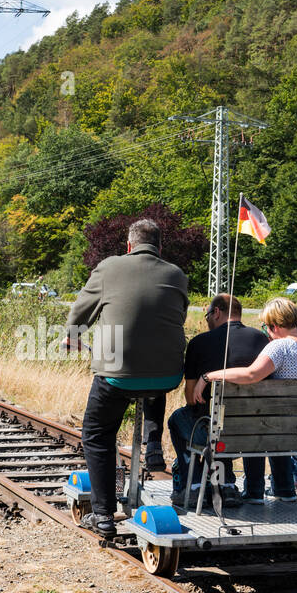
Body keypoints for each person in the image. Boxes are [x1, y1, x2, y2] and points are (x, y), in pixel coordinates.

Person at [63, 218, 188, 538]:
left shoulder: (108, 268)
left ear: (129, 247)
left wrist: (72, 337)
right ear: (159, 248)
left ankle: (104, 514)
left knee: (96, 433)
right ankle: (153, 444)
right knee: (152, 378)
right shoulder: (176, 274)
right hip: (168, 375)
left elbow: (80, 312)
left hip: (118, 376)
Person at [195, 298, 297, 501]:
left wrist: (209, 376)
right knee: (276, 422)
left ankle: (254, 492)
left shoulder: (279, 347)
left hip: (281, 429)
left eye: (266, 328)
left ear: (274, 326)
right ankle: (285, 491)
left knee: (257, 422)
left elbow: (251, 375)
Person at [167, 293, 267, 508]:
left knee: (179, 419)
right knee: (229, 421)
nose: (207, 320)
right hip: (255, 428)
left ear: (217, 312)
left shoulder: (199, 343)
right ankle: (231, 486)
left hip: (213, 429)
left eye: (207, 315)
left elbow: (191, 397)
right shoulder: (261, 339)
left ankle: (193, 485)